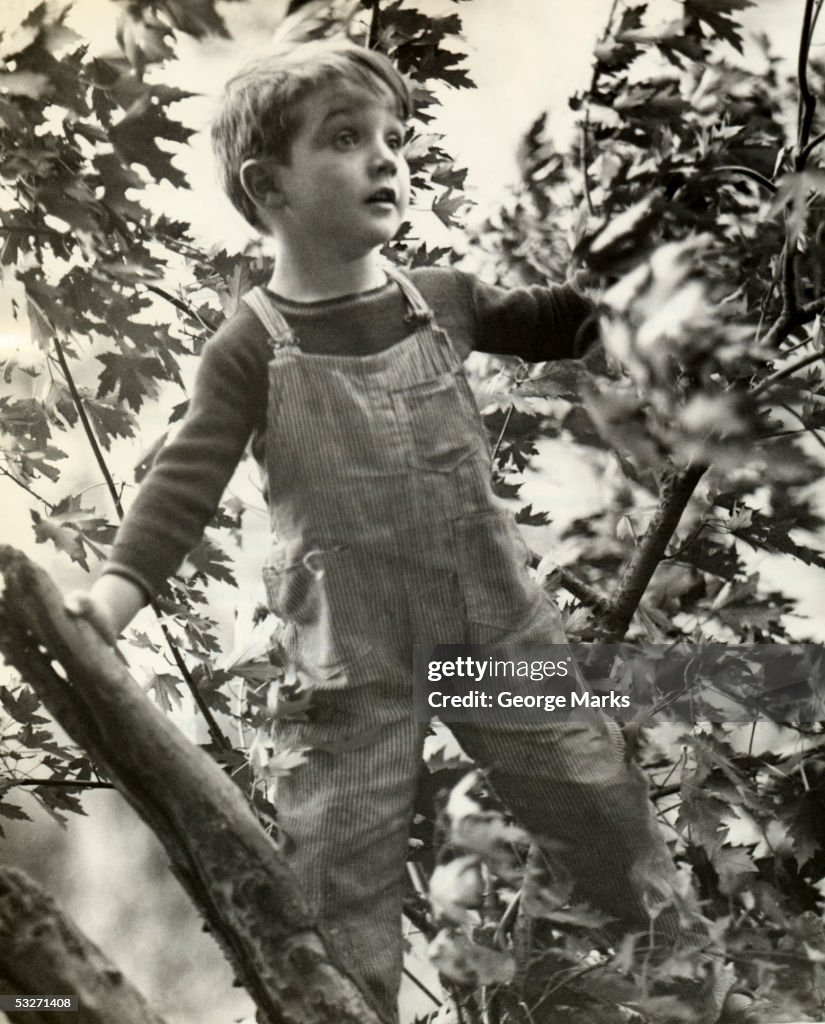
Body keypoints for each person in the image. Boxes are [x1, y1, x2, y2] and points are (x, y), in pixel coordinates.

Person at [68, 39, 746, 1024]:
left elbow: (565, 320)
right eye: (346, 139)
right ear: (271, 186)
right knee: (338, 905)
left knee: (600, 808)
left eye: (394, 136)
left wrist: (651, 306)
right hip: (356, 669)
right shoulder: (253, 343)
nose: (386, 157)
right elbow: (183, 481)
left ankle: (712, 1002)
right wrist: (114, 596)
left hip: (491, 638)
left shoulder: (444, 301)